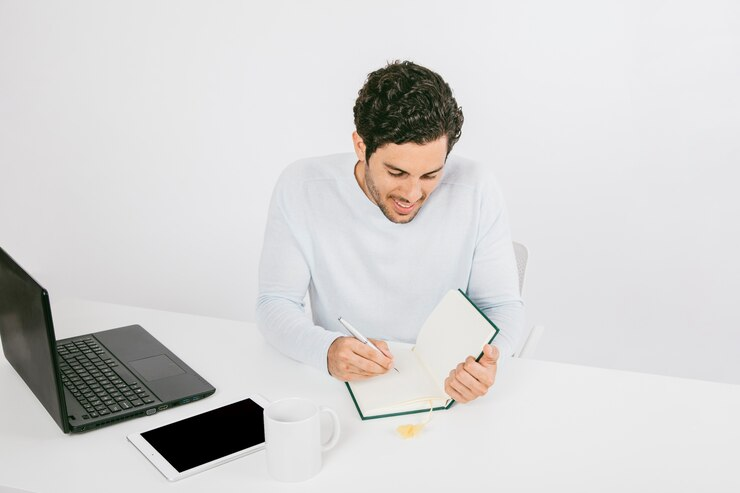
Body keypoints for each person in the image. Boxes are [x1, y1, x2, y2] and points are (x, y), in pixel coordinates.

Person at [257, 60, 524, 404]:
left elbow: (501, 305)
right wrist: (326, 351)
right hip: (343, 392)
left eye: (430, 175)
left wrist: (485, 361)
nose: (413, 195)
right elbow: (275, 303)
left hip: (444, 391)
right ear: (360, 146)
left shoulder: (477, 188)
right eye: (397, 173)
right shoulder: (303, 187)